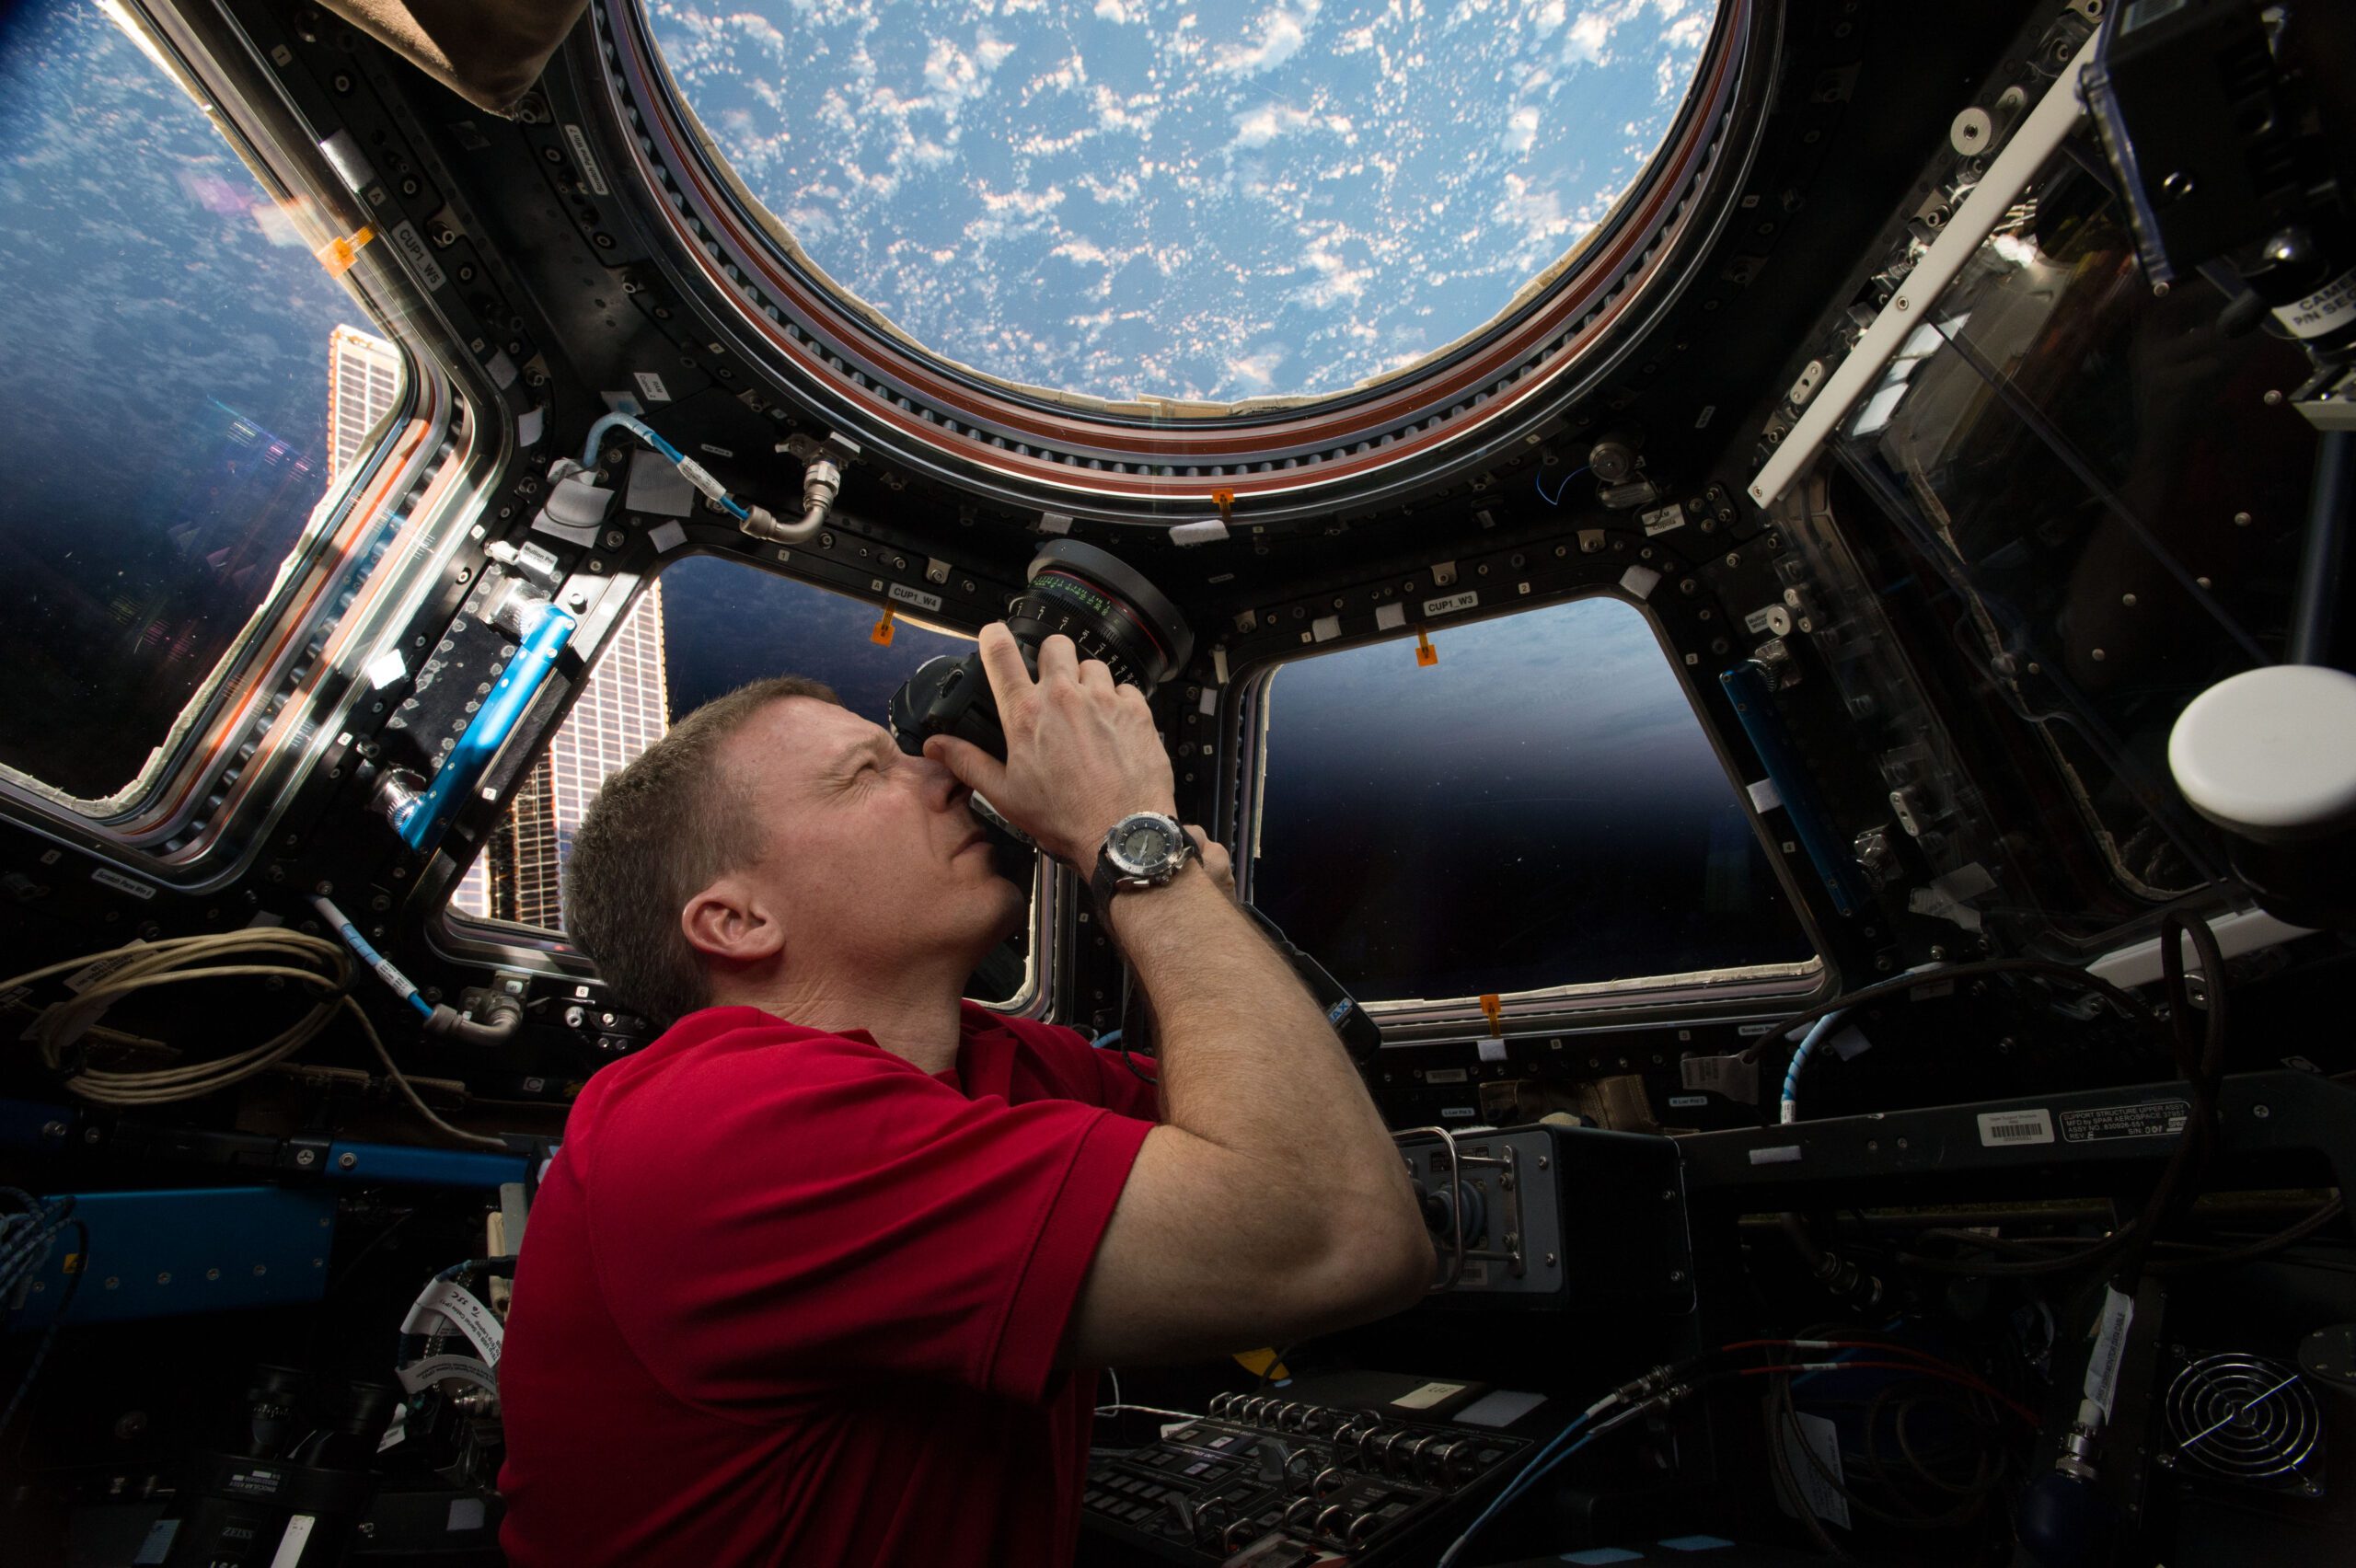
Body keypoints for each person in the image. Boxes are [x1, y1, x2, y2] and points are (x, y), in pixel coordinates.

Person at [495, 623, 1433, 1567]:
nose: (945, 774)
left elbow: (1317, 1140)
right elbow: (1339, 1234)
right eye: (866, 773)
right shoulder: (716, 1123)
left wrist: (1185, 897)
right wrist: (1131, 842)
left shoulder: (998, 1069)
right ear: (738, 921)